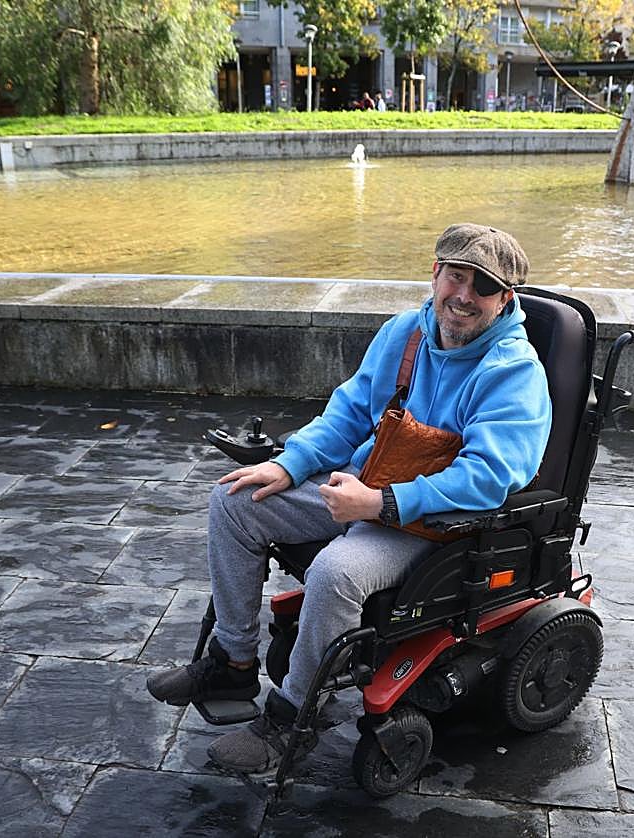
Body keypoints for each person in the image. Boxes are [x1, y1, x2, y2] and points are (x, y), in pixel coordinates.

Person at [146, 224, 552, 775]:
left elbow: (491, 476)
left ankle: (294, 715)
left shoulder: (513, 371)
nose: (463, 296)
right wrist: (288, 464)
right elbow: (348, 413)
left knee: (337, 571)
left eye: (482, 287)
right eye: (455, 277)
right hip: (364, 487)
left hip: (436, 522)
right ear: (435, 274)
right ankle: (232, 660)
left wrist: (381, 504)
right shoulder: (406, 333)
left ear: (505, 298)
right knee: (236, 500)